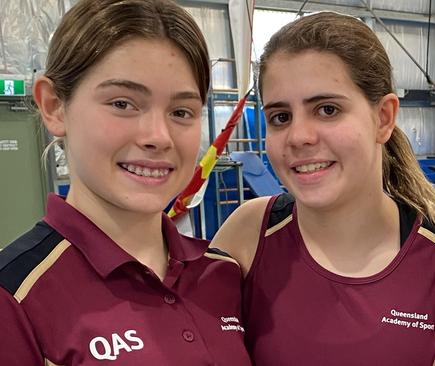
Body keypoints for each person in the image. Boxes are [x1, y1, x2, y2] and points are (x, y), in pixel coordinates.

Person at [211, 11, 435, 365]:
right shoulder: (247, 235)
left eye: (327, 109)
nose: (299, 136)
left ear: (384, 118)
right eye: (280, 117)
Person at [0, 1, 251, 364]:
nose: (158, 137)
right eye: (122, 103)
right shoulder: (16, 297)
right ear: (54, 106)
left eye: (181, 112)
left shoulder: (222, 273)